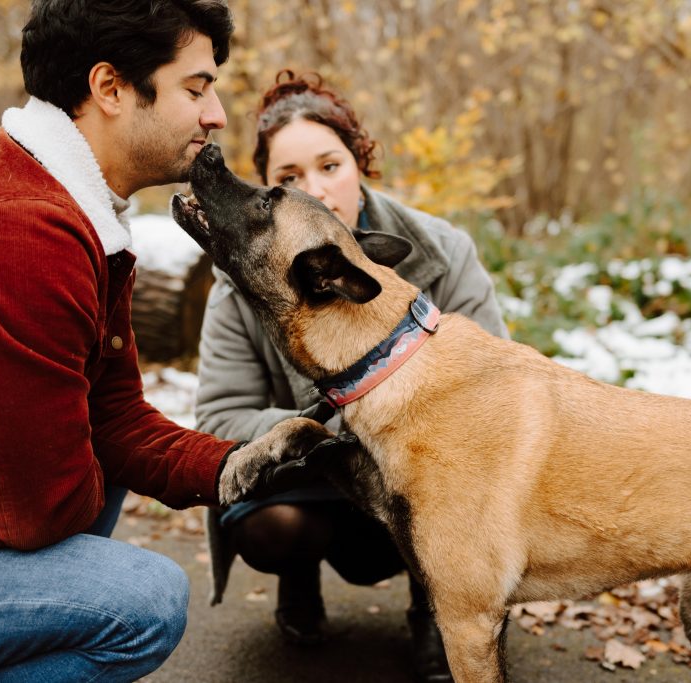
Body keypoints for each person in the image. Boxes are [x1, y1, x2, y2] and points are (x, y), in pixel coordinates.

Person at [0, 2, 305, 680]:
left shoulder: (61, 200)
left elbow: (115, 416)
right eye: (196, 89)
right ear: (110, 88)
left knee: (95, 473)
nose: (217, 115)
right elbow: (37, 515)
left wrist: (242, 463)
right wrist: (91, 454)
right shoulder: (16, 230)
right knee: (142, 601)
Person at [195, 70, 509, 683]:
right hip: (307, 485)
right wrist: (333, 432)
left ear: (359, 162)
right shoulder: (238, 282)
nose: (316, 189)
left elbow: (495, 393)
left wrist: (393, 431)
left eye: (330, 165)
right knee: (271, 529)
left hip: (422, 479)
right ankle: (297, 576)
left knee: (444, 482)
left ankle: (440, 609)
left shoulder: (442, 251)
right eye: (289, 178)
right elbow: (219, 417)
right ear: (267, 189)